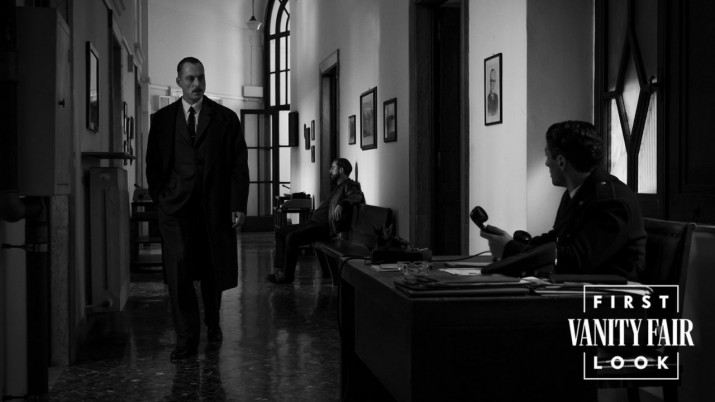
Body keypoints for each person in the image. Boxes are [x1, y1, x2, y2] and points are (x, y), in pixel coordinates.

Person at [146, 57, 250, 360]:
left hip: (214, 207)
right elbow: (154, 164)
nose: (197, 84)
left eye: (201, 77)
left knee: (211, 269)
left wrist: (237, 204)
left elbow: (238, 164)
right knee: (178, 271)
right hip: (175, 209)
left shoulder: (226, 118)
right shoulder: (162, 120)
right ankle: (186, 338)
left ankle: (213, 321)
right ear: (179, 81)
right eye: (190, 78)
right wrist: (161, 199)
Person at [480, 120, 646, 280]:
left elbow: (575, 260)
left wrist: (510, 249)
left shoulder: (611, 202)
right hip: (578, 286)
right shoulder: (578, 192)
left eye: (547, 156)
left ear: (561, 161)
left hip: (608, 294)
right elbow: (557, 239)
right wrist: (511, 243)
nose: (546, 163)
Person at [268, 158, 364, 284]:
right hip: (314, 223)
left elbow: (357, 196)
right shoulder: (337, 186)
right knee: (281, 232)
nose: (330, 171)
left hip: (324, 227)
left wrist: (343, 204)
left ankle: (287, 276)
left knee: (292, 238)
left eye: (333, 168)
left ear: (341, 170)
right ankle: (280, 270)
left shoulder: (349, 185)